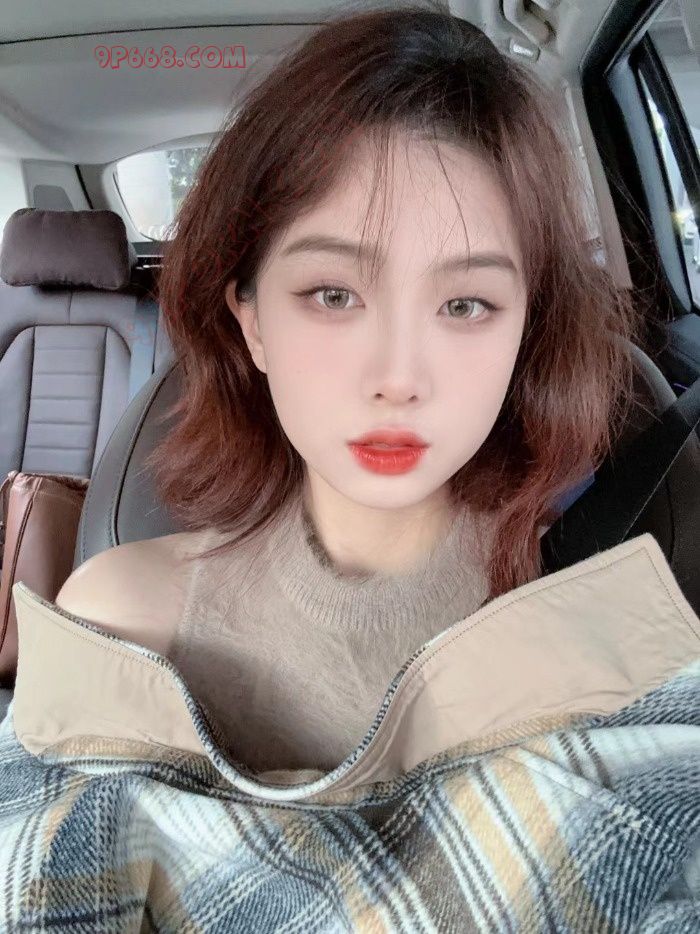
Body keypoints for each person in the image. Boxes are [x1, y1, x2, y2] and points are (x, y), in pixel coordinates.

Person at [1, 4, 698, 930]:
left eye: (466, 304)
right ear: (251, 317)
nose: (398, 377)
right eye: (333, 294)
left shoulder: (607, 634)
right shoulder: (117, 616)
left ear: (526, 329)